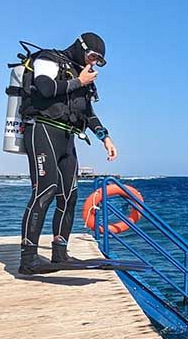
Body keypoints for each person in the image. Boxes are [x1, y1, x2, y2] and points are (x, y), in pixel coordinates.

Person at [18, 33, 118, 275]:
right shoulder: (49, 58)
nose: (93, 63)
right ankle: (28, 259)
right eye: (93, 56)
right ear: (80, 47)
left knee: (69, 195)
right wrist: (79, 82)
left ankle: (60, 252)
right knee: (45, 190)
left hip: (67, 137)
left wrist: (105, 137)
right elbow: (44, 87)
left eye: (99, 61)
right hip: (42, 130)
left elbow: (88, 112)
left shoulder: (82, 76)